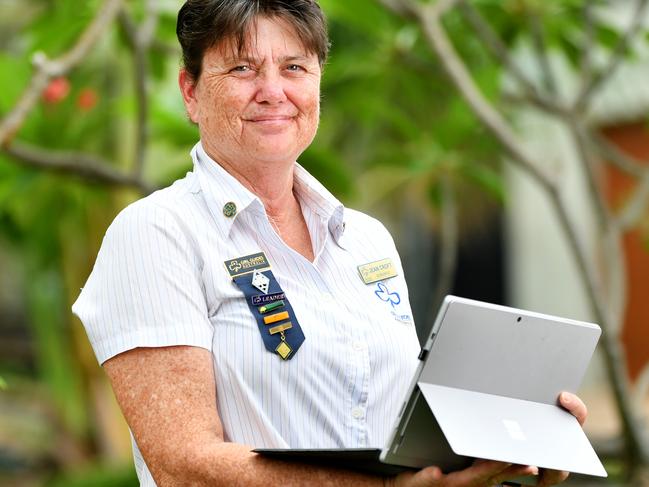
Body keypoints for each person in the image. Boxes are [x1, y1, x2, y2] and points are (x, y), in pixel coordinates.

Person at [72, 1, 588, 485]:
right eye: (242, 69)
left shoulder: (365, 240)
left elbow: (398, 433)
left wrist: (510, 439)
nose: (273, 90)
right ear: (191, 92)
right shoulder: (156, 234)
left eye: (294, 68)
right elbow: (183, 465)